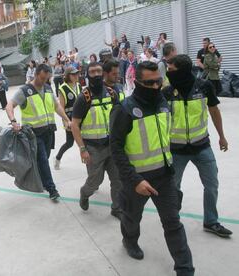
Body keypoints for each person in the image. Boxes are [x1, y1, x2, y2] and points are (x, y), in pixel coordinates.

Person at [109, 61, 195, 275]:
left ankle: (185, 269)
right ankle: (130, 241)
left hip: (165, 177)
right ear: (137, 82)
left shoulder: (164, 103)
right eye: (150, 83)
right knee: (131, 219)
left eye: (158, 81)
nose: (156, 87)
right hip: (136, 181)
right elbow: (116, 149)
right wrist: (135, 180)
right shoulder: (124, 109)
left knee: (173, 223)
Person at [163, 54, 232, 238]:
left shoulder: (204, 86)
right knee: (173, 187)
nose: (169, 73)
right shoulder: (167, 92)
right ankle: (173, 220)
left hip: (202, 145)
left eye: (172, 69)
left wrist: (222, 137)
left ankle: (211, 221)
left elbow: (214, 111)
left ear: (183, 70)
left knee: (212, 184)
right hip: (176, 150)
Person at [6, 64, 72, 200]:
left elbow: (57, 106)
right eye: (42, 78)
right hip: (33, 133)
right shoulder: (24, 90)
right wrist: (13, 121)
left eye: (47, 79)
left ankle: (40, 179)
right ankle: (52, 189)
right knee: (42, 159)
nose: (44, 82)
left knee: (45, 157)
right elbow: (10, 105)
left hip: (48, 131)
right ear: (35, 74)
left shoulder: (48, 89)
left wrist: (66, 119)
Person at [71, 61, 124, 217]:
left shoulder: (111, 93)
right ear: (87, 75)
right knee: (95, 182)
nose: (96, 74)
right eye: (92, 72)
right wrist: (82, 149)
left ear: (103, 73)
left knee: (117, 180)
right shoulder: (83, 98)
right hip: (93, 148)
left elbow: (118, 116)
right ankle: (84, 193)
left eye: (98, 71)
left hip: (111, 145)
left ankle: (117, 208)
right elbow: (75, 125)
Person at [54, 66, 81, 170]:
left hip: (80, 118)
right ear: (68, 76)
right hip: (70, 119)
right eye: (73, 74)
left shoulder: (78, 85)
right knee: (69, 143)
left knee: (86, 141)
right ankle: (57, 158)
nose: (76, 76)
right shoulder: (62, 88)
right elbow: (61, 107)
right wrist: (66, 121)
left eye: (77, 73)